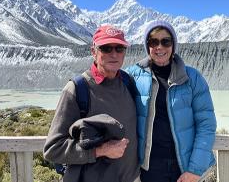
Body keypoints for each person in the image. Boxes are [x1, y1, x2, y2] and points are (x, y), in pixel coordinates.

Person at [43, 25, 140, 182]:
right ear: (93, 51)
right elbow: (53, 149)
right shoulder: (77, 89)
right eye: (106, 48)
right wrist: (101, 150)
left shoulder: (127, 82)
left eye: (119, 48)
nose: (114, 54)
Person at [126, 20, 217, 182]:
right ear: (147, 46)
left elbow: (206, 125)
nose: (159, 47)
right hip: (147, 169)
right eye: (153, 42)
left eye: (165, 41)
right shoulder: (133, 76)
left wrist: (195, 170)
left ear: (173, 45)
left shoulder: (192, 78)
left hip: (182, 169)